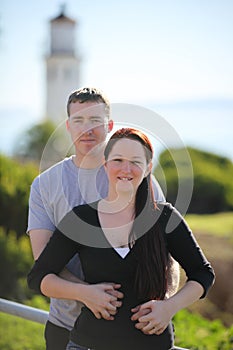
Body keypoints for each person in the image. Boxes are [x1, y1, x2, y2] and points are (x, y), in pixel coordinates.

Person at [28, 128, 215, 350]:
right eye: (118, 160)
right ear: (105, 165)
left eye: (135, 161)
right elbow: (39, 277)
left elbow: (203, 274)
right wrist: (84, 293)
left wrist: (169, 307)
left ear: (147, 169)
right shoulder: (81, 218)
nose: (126, 169)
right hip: (88, 344)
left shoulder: (165, 217)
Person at [27, 88, 166, 350]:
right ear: (68, 126)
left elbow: (165, 249)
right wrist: (88, 294)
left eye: (95, 121)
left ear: (110, 126)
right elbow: (43, 259)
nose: (86, 129)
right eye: (78, 121)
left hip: (133, 328)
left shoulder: (136, 177)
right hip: (65, 326)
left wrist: (164, 304)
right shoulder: (45, 185)